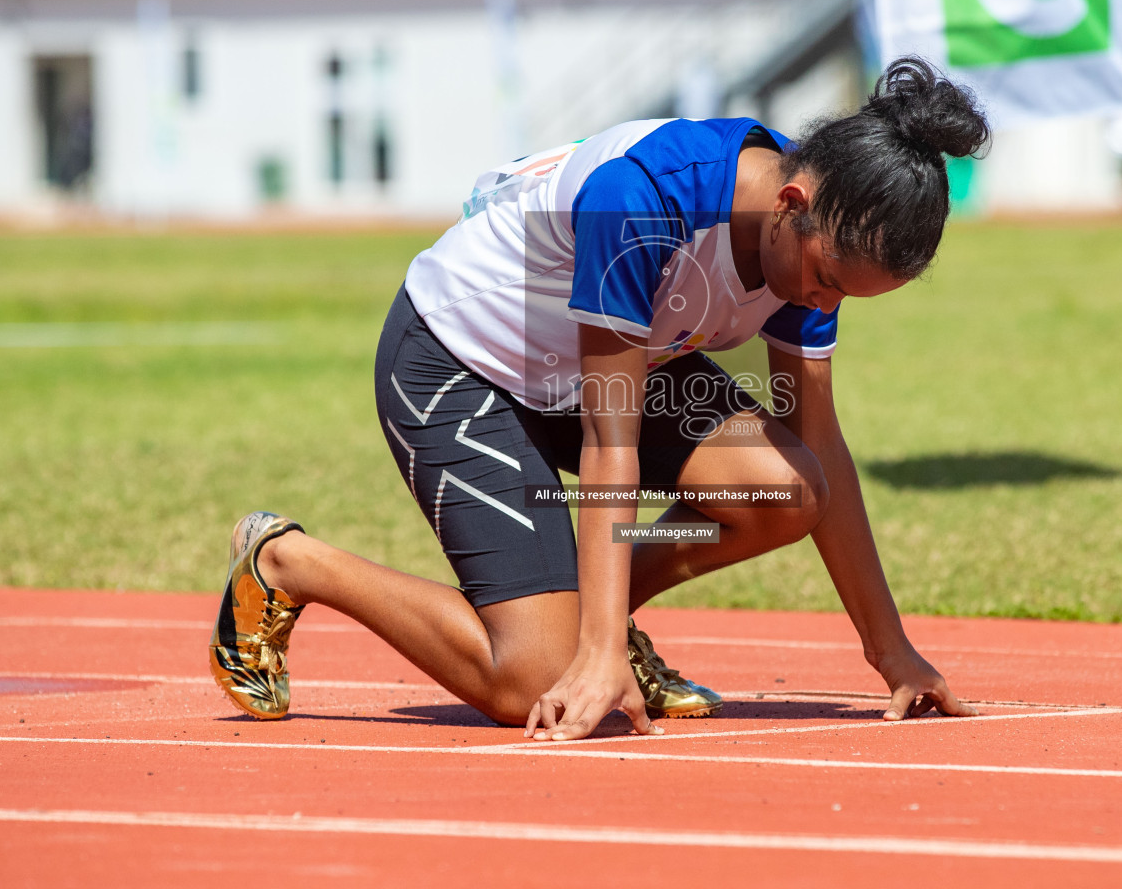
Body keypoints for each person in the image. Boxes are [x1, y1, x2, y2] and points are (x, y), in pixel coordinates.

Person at [209, 56, 988, 742]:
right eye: (823, 280)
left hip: (608, 361)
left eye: (844, 294)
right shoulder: (645, 201)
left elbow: (822, 447)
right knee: (528, 682)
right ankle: (287, 559)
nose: (821, 300)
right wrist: (597, 653)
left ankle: (593, 621)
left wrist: (891, 650)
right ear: (790, 200)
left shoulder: (819, 240)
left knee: (788, 490)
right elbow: (609, 442)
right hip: (465, 364)